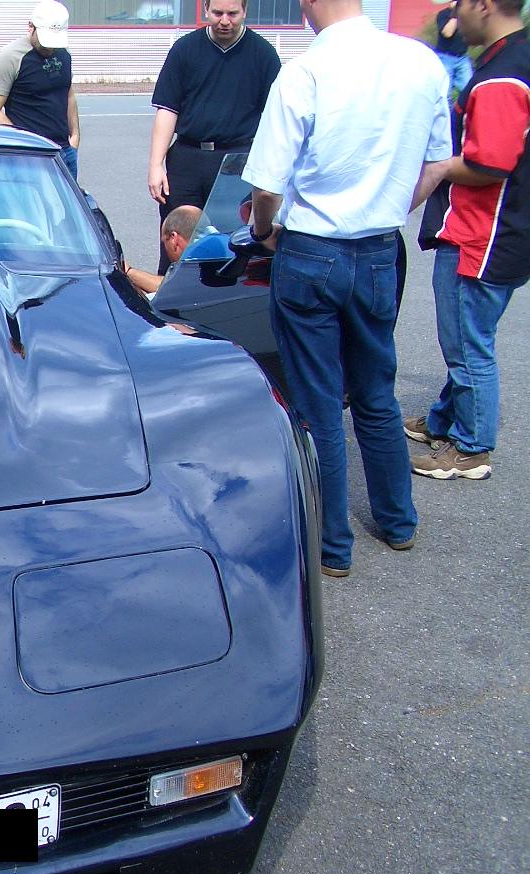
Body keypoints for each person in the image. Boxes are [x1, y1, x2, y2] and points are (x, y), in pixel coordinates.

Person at [241, 0, 452, 578]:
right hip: (379, 247)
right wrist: (390, 209)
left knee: (318, 403)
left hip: (311, 248)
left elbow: (266, 185)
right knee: (377, 392)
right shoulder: (421, 62)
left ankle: (334, 545)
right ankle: (397, 521)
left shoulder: (307, 71)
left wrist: (263, 233)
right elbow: (438, 165)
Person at [411, 0, 530, 481]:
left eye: (460, 5)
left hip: (484, 235)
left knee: (467, 345)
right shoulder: (512, 57)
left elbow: (489, 164)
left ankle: (471, 448)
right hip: (501, 229)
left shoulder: (502, 75)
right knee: (467, 338)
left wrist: (436, 166)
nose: (455, 17)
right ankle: (444, 420)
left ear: (484, 5)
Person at [148, 0, 280, 273]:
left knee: (228, 245)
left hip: (236, 161)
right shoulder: (184, 50)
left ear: (244, 11)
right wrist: (156, 164)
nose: (225, 21)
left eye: (233, 13)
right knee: (176, 240)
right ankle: (168, 295)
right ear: (206, 10)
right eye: (218, 13)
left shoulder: (263, 54)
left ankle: (219, 296)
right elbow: (167, 110)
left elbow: (275, 121)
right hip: (186, 160)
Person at [0, 0, 81, 178]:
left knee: (67, 198)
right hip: (29, 155)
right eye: (45, 41)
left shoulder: (64, 53)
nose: (50, 47)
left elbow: (68, 94)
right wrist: (23, 144)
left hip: (64, 152)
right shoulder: (10, 57)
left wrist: (74, 136)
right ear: (31, 27)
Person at [125, 205, 203, 294]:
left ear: (174, 239)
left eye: (165, 241)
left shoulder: (196, 268)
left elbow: (174, 289)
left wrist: (128, 273)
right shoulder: (212, 254)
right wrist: (130, 272)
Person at [432, 0, 474, 94]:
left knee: (469, 90)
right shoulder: (443, 14)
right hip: (445, 57)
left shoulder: (466, 14)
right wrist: (455, 14)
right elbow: (448, 33)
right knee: (445, 92)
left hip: (462, 58)